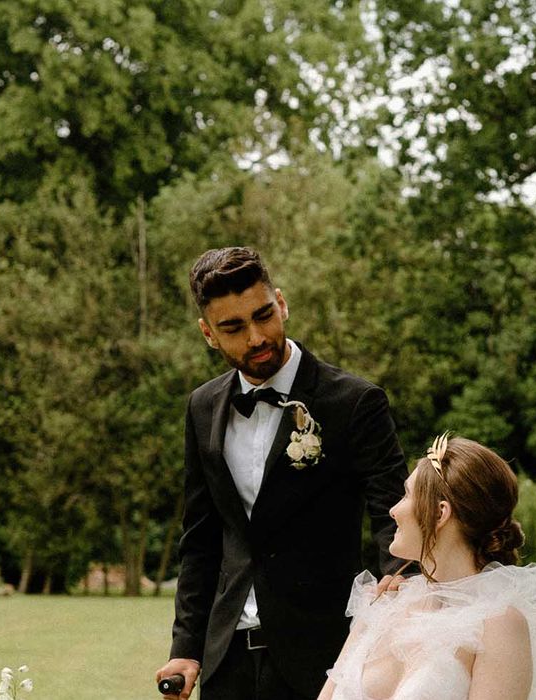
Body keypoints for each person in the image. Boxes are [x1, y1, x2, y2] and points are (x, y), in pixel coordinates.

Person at [155, 247, 407, 700]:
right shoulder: (202, 407)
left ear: (282, 303)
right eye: (233, 327)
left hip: (324, 657)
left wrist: (398, 582)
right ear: (208, 334)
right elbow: (201, 537)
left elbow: (393, 511)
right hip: (226, 659)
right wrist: (186, 648)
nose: (256, 337)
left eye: (263, 315)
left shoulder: (354, 402)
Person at [319, 434, 536, 700]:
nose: (393, 510)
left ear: (440, 513)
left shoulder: (498, 622)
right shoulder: (383, 605)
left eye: (406, 495)